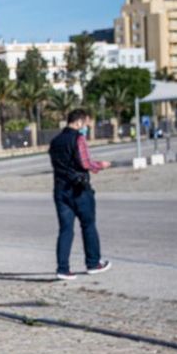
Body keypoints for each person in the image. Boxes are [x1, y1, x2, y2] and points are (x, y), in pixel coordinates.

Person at [49, 108, 110, 280]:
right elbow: (85, 163)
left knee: (65, 229)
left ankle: (62, 269)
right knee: (88, 225)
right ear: (79, 122)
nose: (87, 127)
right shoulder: (78, 138)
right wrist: (100, 165)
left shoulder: (55, 141)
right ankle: (93, 263)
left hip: (61, 190)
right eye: (87, 124)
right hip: (79, 190)